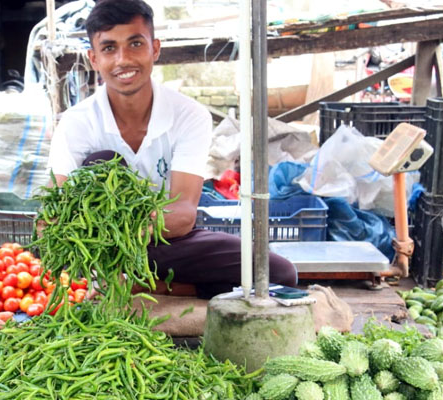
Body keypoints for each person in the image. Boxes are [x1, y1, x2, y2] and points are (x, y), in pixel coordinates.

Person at [47, 0, 298, 299]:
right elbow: (55, 212)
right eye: (109, 48)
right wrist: (98, 238)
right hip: (101, 251)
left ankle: (143, 286)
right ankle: (126, 280)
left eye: (135, 44)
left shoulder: (189, 115)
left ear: (155, 49)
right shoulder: (77, 122)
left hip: (167, 245)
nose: (123, 60)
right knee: (103, 162)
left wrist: (124, 232)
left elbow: (182, 215)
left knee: (277, 273)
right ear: (94, 59)